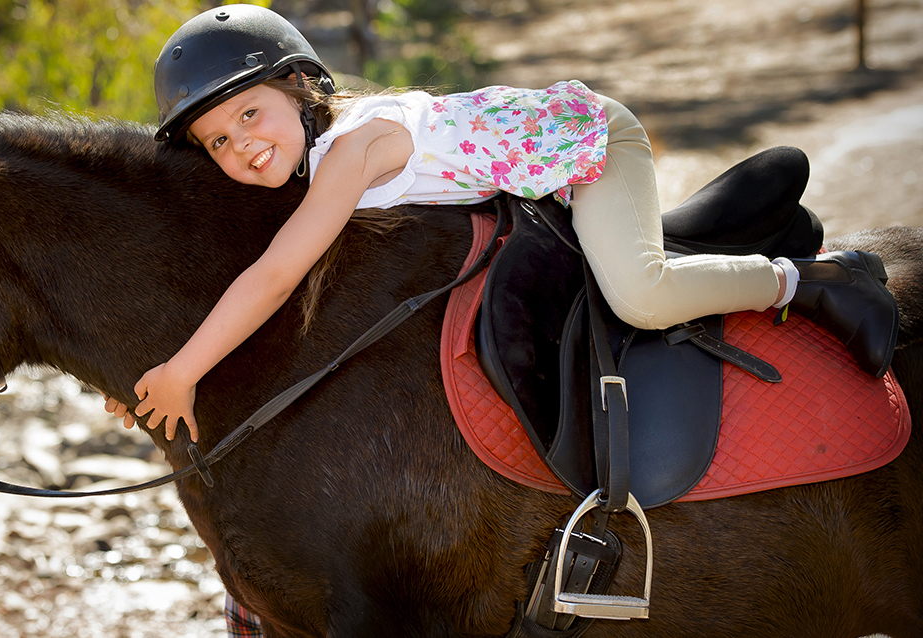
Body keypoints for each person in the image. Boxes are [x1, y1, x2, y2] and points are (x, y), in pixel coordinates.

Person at [104, 3, 899, 449]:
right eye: (217, 140)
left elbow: (276, 273)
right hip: (527, 175)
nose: (240, 143)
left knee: (639, 293)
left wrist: (186, 371)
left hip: (588, 143)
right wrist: (165, 366)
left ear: (300, 87)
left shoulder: (351, 149)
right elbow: (249, 265)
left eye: (249, 113)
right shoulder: (310, 163)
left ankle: (810, 279)